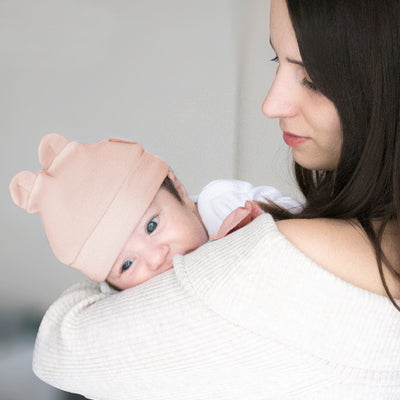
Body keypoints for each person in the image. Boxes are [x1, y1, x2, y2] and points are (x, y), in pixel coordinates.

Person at [30, 0, 400, 399]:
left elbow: (59, 345)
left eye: (311, 77)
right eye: (277, 59)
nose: (270, 104)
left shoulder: (268, 256)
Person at [9, 133, 300, 290]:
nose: (156, 258)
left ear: (178, 187)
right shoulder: (136, 303)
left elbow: (306, 226)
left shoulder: (222, 203)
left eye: (151, 226)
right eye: (126, 265)